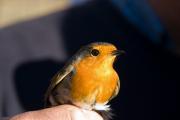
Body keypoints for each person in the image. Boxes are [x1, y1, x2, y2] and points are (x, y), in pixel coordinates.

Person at [0, 0, 178, 119]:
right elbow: (50, 94)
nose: (109, 55)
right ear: (81, 57)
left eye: (113, 53)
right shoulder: (8, 50)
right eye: (95, 53)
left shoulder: (113, 81)